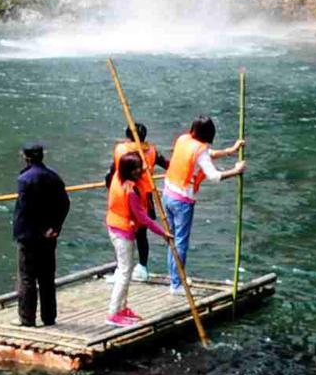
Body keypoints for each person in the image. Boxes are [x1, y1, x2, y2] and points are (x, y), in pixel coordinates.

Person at [158, 115, 245, 288]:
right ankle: (177, 284)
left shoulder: (183, 139)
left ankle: (176, 278)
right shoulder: (200, 150)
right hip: (182, 201)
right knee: (181, 242)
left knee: (172, 240)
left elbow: (207, 155)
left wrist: (230, 151)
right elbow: (213, 175)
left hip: (167, 194)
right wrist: (236, 170)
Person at [12, 145, 70, 329]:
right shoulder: (54, 177)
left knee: (27, 277)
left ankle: (27, 319)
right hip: (49, 235)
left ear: (25, 157)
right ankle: (49, 317)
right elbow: (64, 203)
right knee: (47, 277)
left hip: (29, 236)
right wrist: (55, 227)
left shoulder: (24, 180)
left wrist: (26, 231)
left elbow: (25, 211)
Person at [105, 150, 153, 328]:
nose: (141, 170)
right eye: (138, 168)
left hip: (115, 226)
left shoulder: (117, 176)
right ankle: (113, 313)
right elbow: (143, 218)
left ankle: (122, 308)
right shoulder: (130, 191)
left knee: (126, 268)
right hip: (122, 232)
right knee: (125, 272)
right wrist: (164, 233)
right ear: (129, 171)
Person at [102, 122, 155, 282]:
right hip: (145, 197)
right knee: (141, 234)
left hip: (126, 196)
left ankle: (122, 269)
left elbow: (112, 173)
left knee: (122, 233)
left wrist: (109, 186)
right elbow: (166, 163)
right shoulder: (151, 151)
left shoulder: (122, 151)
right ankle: (143, 268)